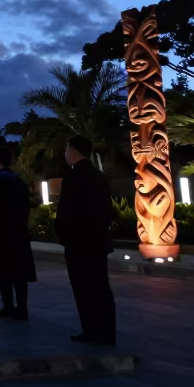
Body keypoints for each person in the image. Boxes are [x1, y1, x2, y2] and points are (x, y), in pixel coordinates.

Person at [55, 135, 116, 346]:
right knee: (101, 286)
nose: (65, 154)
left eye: (66, 150)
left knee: (84, 288)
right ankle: (107, 331)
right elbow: (107, 210)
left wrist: (64, 235)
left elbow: (65, 211)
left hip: (78, 242)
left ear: (74, 151)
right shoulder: (99, 176)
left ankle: (91, 330)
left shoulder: (73, 177)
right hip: (98, 240)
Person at [0, 146, 37, 320]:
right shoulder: (18, 181)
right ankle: (21, 307)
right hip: (18, 232)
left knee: (4, 272)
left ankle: (8, 305)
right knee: (19, 273)